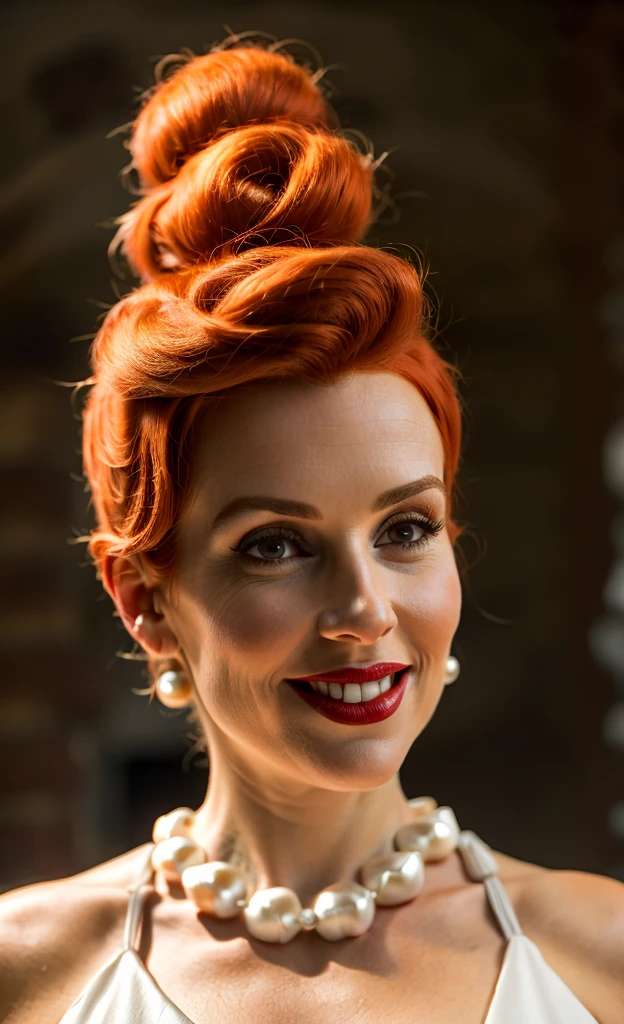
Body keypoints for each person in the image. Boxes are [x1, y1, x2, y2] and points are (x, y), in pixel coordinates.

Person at [1, 38, 622, 1024]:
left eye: (406, 528)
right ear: (145, 602)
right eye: (275, 544)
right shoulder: (25, 974)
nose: (364, 609)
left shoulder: (604, 959)